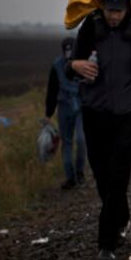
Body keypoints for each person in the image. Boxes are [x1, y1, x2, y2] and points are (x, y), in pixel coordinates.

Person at [67, 0, 131, 260]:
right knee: (102, 176)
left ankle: (106, 244)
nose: (113, 16)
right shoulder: (90, 29)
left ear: (126, 12)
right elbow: (68, 66)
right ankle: (120, 218)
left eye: (118, 11)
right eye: (109, 10)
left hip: (127, 114)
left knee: (118, 177)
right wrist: (75, 65)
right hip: (94, 112)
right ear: (102, 9)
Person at [44, 37, 86, 190]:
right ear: (63, 51)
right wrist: (49, 113)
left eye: (71, 50)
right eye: (66, 50)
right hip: (64, 108)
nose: (69, 53)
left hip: (82, 107)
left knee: (81, 140)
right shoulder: (57, 65)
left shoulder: (83, 63)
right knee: (66, 143)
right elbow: (52, 90)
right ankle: (70, 178)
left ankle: (80, 172)